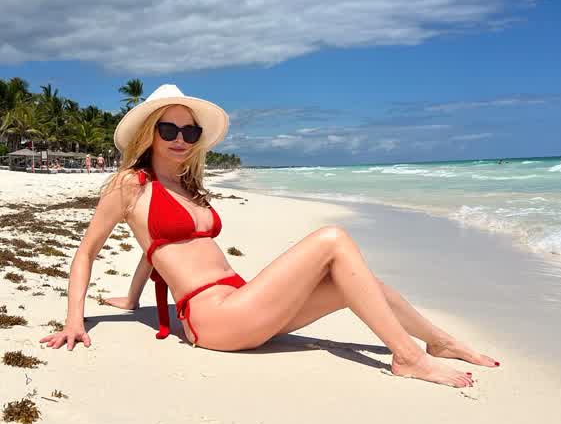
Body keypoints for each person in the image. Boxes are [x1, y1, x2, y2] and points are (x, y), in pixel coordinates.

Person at [39, 84, 500, 388]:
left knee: (361, 284)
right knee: (332, 238)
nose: (181, 138)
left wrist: (131, 297)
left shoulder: (188, 186)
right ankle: (408, 358)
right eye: (169, 129)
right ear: (149, 133)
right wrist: (75, 320)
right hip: (214, 320)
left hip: (244, 303)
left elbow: (155, 250)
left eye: (190, 131)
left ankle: (438, 342)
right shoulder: (129, 185)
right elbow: (87, 252)